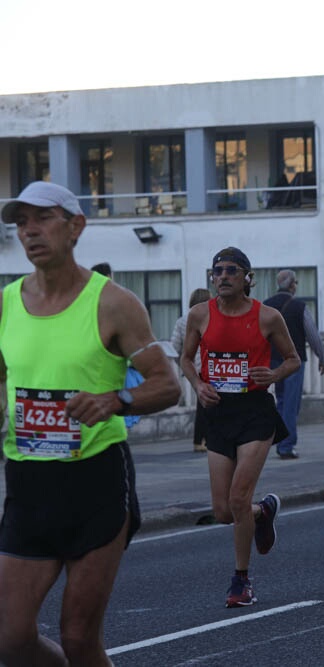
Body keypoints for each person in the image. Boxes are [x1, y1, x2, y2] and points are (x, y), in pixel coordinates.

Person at [0, 181, 181, 664]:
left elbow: (167, 385)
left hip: (95, 480)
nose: (30, 231)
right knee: (10, 639)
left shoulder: (113, 303)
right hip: (28, 482)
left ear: (76, 226)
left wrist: (114, 400)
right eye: (21, 223)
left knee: (79, 638)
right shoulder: (4, 304)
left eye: (42, 218)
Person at [179, 247, 300, 608]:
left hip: (255, 413)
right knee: (223, 511)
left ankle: (241, 581)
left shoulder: (268, 317)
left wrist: (275, 373)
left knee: (237, 497)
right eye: (217, 271)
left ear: (248, 277)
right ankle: (263, 511)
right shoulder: (199, 315)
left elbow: (293, 359)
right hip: (219, 413)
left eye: (232, 270)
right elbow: (185, 359)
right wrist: (198, 384)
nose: (223, 276)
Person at [263, 269, 324, 459]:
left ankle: (278, 440)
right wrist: (321, 357)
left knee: (282, 401)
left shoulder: (266, 306)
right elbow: (313, 334)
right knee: (291, 403)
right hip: (294, 361)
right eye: (296, 283)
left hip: (273, 360)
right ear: (292, 285)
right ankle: (286, 445)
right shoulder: (299, 307)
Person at [172, 288, 212, 451]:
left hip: (192, 367)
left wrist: (184, 364)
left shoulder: (182, 320)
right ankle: (202, 440)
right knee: (206, 405)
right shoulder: (209, 318)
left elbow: (175, 347)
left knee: (202, 404)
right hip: (207, 366)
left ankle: (200, 440)